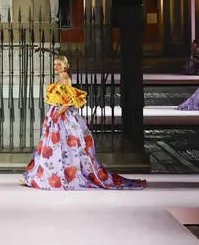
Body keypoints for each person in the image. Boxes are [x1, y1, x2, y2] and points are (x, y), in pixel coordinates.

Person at [21, 55, 144, 190]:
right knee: (53, 144)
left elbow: (69, 101)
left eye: (59, 65)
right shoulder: (61, 78)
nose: (56, 67)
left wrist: (57, 113)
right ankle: (46, 174)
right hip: (56, 112)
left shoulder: (66, 80)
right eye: (55, 64)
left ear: (66, 66)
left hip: (61, 114)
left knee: (62, 142)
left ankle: (62, 175)